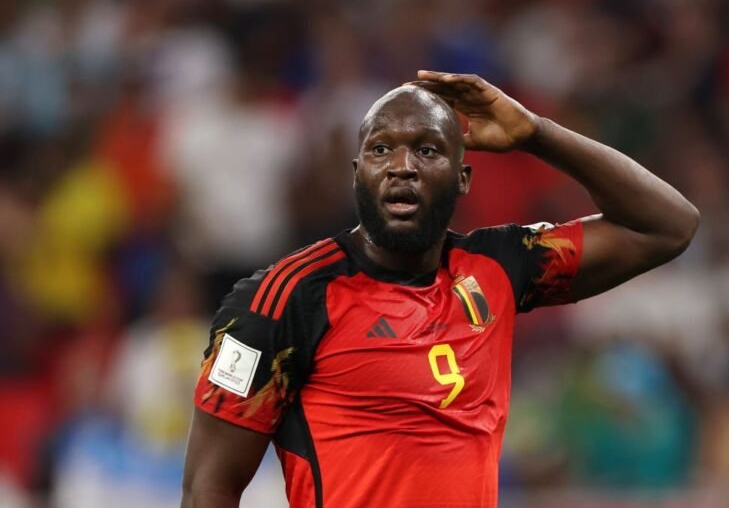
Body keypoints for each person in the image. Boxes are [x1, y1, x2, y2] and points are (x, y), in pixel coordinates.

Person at [180, 71, 699, 507]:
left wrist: (535, 134)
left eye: (427, 150)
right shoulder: (284, 300)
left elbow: (666, 225)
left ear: (463, 177)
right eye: (381, 150)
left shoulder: (500, 268)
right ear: (358, 174)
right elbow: (209, 488)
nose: (402, 167)